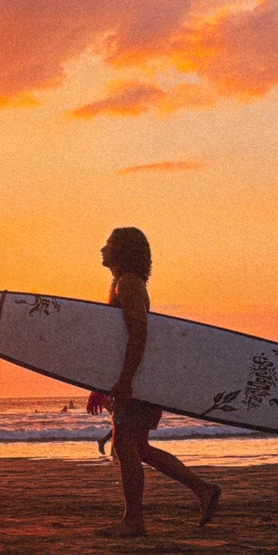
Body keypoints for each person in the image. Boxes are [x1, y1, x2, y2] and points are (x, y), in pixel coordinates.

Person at [87, 228, 221, 537]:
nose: (102, 249)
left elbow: (139, 335)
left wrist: (127, 381)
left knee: (124, 444)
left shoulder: (129, 284)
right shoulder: (121, 283)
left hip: (138, 377)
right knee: (139, 447)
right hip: (136, 376)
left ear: (121, 250)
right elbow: (117, 341)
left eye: (108, 244)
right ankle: (203, 490)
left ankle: (133, 521)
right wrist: (100, 382)